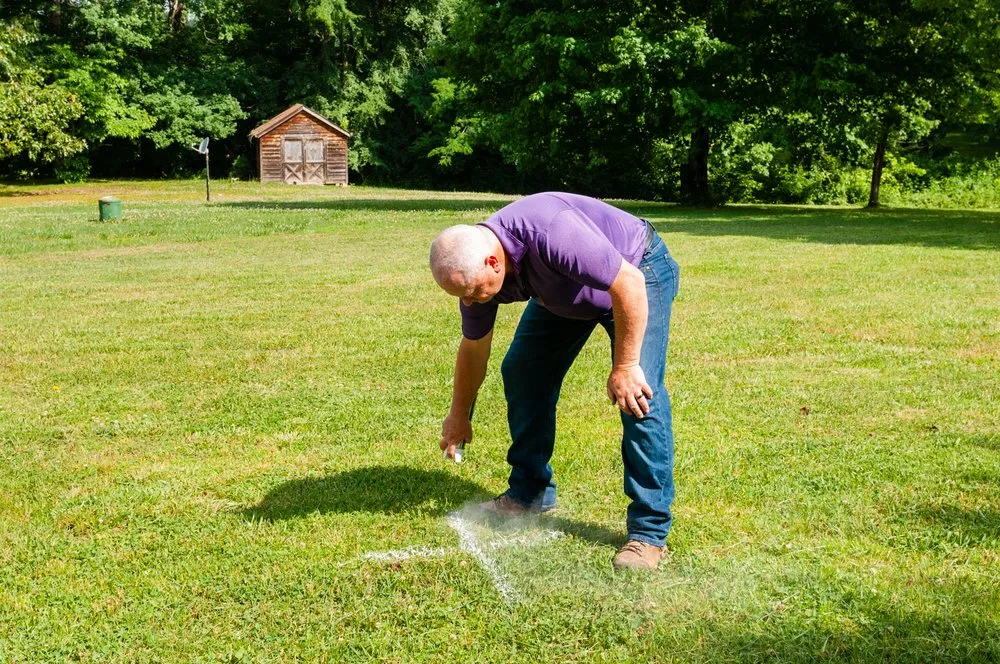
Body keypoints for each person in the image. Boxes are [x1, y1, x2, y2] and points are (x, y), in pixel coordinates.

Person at [429, 192, 680, 571]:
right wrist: (459, 414)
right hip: (567, 291)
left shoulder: (550, 231)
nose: (473, 301)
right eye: (463, 296)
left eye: (475, 291)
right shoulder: (476, 274)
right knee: (523, 371)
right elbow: (474, 348)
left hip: (636, 272)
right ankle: (529, 493)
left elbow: (628, 283)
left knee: (639, 394)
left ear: (493, 263)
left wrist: (626, 365)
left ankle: (649, 532)